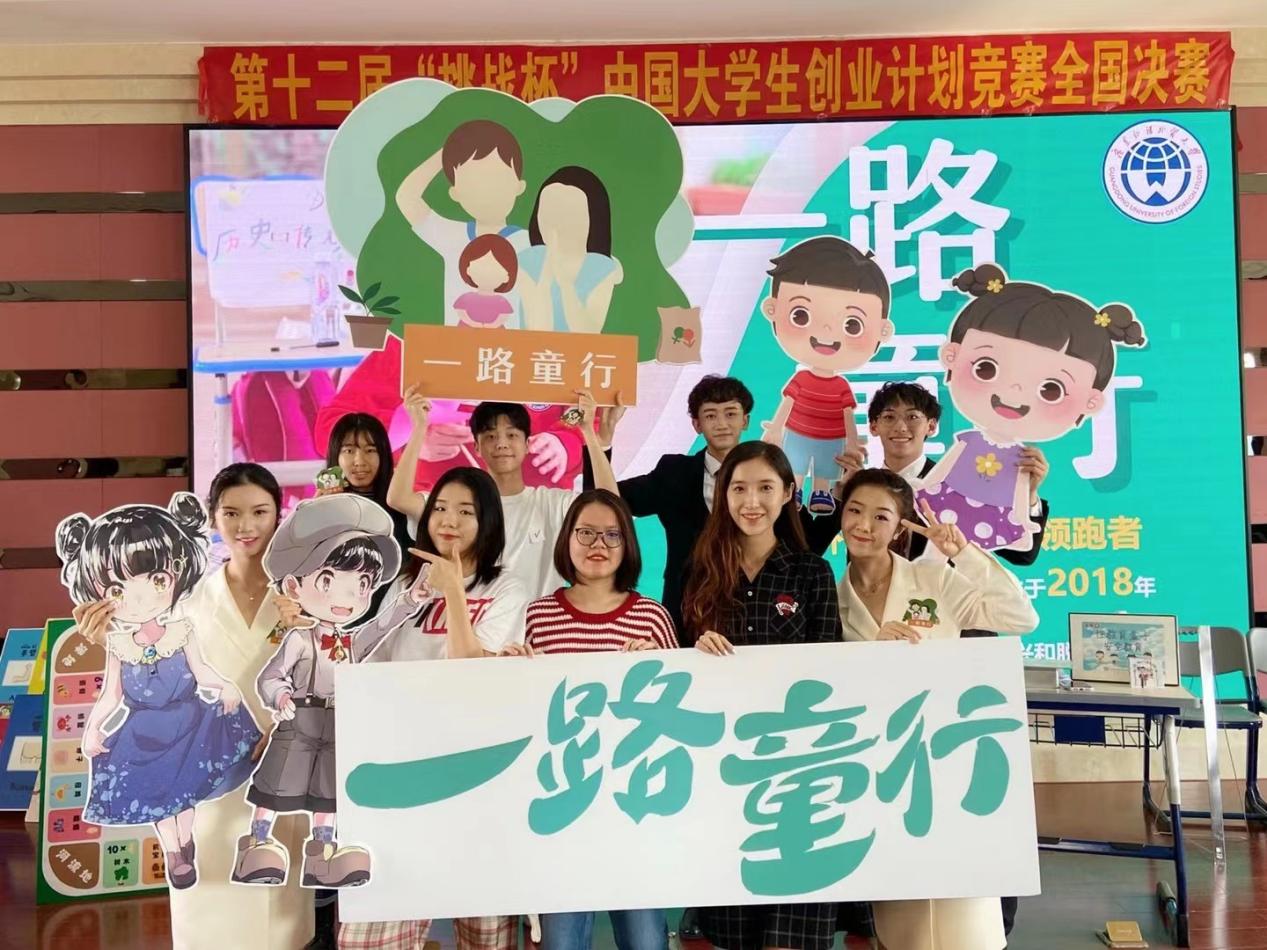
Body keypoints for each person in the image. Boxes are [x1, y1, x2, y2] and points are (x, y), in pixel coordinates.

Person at [75, 464, 315, 948]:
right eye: (231, 513)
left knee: (278, 881)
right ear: (212, 518)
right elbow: (148, 666)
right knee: (206, 868)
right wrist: (105, 636)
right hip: (200, 752)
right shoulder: (184, 602)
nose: (246, 526)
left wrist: (290, 720)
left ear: (279, 515)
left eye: (259, 512)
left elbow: (322, 671)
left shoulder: (304, 594)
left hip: (281, 752)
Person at [834, 469, 1038, 950]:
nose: (864, 525)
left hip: (948, 760)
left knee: (966, 911)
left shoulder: (931, 579)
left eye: (881, 516)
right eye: (855, 511)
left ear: (899, 528)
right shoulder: (832, 597)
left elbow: (1020, 616)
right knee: (900, 913)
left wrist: (962, 553)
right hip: (881, 769)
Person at [339, 467, 530, 950]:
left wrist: (454, 591)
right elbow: (365, 659)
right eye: (440, 508)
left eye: (466, 511)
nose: (449, 520)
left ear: (488, 522)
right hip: (402, 769)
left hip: (476, 772)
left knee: (485, 931)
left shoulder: (507, 587)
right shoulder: (406, 583)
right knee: (374, 932)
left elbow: (471, 671)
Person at [682, 440, 847, 950]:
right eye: (738, 489)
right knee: (735, 924)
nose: (750, 502)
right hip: (725, 766)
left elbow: (829, 672)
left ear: (789, 494)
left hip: (800, 770)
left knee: (794, 923)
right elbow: (678, 667)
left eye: (765, 488)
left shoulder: (811, 572)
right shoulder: (701, 571)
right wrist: (696, 651)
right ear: (722, 495)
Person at [56, 493, 260, 892]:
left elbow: (202, 671)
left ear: (176, 574)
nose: (139, 598)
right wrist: (92, 729)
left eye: (157, 580)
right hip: (142, 734)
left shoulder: (182, 631)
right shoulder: (118, 645)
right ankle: (173, 853)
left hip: (190, 723)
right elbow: (111, 695)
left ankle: (185, 842)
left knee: (184, 798)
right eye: (117, 589)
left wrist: (227, 687)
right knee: (159, 800)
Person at [500, 489, 674, 950]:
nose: (599, 544)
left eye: (612, 535)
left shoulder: (651, 617)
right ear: (567, 540)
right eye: (586, 533)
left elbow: (675, 720)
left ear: (628, 544)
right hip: (563, 811)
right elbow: (519, 710)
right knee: (562, 940)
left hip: (634, 812)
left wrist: (655, 668)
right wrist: (512, 669)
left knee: (645, 939)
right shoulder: (537, 616)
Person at [915, 264, 1145, 552]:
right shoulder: (961, 446)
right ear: (952, 356)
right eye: (986, 368)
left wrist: (1029, 500)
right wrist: (919, 489)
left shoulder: (1023, 461)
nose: (1014, 392)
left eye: (1051, 389)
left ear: (1091, 401)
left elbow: (1023, 557)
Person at [387, 390, 618, 599]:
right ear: (477, 447)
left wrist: (590, 435)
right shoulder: (460, 506)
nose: (501, 444)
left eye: (511, 435)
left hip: (535, 627)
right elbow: (398, 498)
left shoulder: (549, 502)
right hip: (472, 626)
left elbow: (610, 506)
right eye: (490, 436)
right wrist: (418, 430)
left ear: (527, 444)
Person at [801, 381, 1051, 565]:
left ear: (931, 426)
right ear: (874, 426)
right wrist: (840, 495)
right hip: (869, 613)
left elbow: (1022, 556)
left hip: (945, 614)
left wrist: (1027, 496)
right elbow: (810, 549)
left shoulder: (957, 482)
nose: (901, 427)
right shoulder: (860, 486)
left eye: (912, 417)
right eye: (889, 417)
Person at [583, 374, 754, 641]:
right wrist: (601, 441)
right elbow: (603, 502)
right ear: (696, 424)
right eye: (710, 415)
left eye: (730, 414)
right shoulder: (674, 473)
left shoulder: (768, 475)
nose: (722, 424)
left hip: (756, 611)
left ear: (745, 420)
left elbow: (801, 540)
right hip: (687, 615)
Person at [760, 237, 893, 515]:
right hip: (797, 432)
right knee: (795, 465)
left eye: (852, 325)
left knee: (824, 467)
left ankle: (821, 492)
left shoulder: (842, 385)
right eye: (800, 315)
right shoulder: (799, 380)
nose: (826, 332)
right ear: (772, 309)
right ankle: (795, 491)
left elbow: (847, 415)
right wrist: (775, 429)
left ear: (883, 330)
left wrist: (852, 441)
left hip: (832, 438)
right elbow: (788, 403)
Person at [396, 118, 528, 323]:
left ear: (519, 186)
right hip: (456, 342)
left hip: (509, 343)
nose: (486, 190)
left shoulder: (529, 242)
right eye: (474, 181)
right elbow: (407, 197)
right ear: (455, 193)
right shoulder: (451, 234)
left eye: (497, 178)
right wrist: (447, 153)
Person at [518, 166, 623, 334]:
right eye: (549, 211)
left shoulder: (601, 268)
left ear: (593, 220)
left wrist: (566, 285)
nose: (556, 223)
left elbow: (588, 333)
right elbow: (536, 329)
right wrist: (547, 273)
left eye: (570, 213)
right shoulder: (527, 261)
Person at [454, 233, 519, 328]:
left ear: (507, 277)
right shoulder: (466, 298)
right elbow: (461, 313)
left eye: (495, 270)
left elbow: (503, 317)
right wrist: (472, 323)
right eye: (480, 266)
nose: (487, 272)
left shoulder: (501, 301)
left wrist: (492, 326)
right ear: (468, 269)